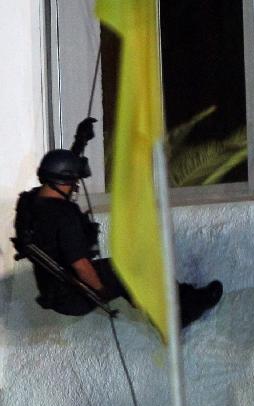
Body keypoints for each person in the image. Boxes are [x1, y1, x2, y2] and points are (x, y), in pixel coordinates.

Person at [14, 130, 223, 328]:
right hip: (74, 292)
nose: (75, 186)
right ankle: (182, 311)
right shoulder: (64, 215)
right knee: (134, 268)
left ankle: (168, 308)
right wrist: (101, 290)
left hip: (52, 289)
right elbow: (80, 265)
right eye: (73, 182)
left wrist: (80, 141)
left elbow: (59, 168)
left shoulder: (30, 203)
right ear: (62, 180)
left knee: (128, 273)